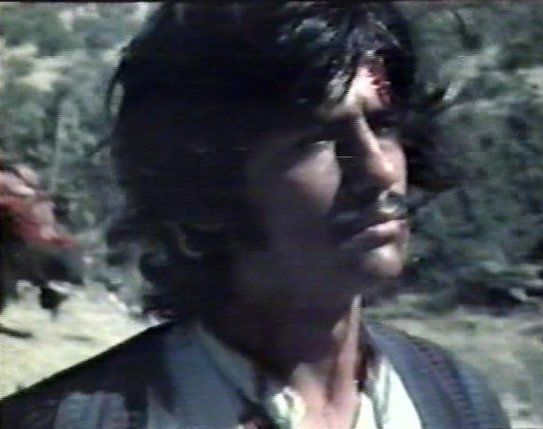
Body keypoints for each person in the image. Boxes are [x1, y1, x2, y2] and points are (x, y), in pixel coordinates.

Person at [0, 3, 510, 429]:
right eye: (316, 140)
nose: (378, 170)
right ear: (205, 184)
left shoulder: (454, 400)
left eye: (382, 125)